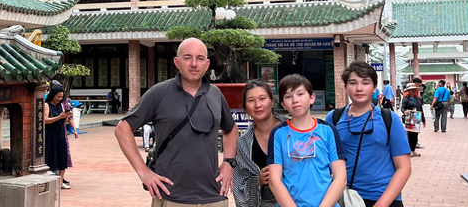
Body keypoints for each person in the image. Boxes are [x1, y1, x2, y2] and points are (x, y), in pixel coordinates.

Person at [114, 38, 238, 206]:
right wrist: (143, 171)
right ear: (176, 62)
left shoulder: (215, 94)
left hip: (213, 196)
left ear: (207, 64)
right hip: (171, 196)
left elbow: (230, 129)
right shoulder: (159, 93)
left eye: (200, 58)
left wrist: (228, 162)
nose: (194, 63)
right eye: (187, 57)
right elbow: (122, 129)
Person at [326, 61, 411, 207]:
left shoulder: (389, 119)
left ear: (374, 88)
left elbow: (404, 167)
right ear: (345, 87)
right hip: (345, 197)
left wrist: (381, 204)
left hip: (383, 198)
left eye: (365, 83)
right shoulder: (334, 118)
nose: (359, 88)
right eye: (353, 83)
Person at [268, 74, 346, 207]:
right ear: (283, 104)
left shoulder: (328, 131)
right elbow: (274, 181)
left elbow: (341, 178)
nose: (295, 100)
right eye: (288, 97)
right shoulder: (278, 134)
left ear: (312, 98)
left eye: (300, 94)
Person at [233, 79, 286, 207]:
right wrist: (258, 180)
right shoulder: (244, 142)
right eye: (251, 100)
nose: (257, 105)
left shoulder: (291, 129)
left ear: (272, 102)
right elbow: (239, 185)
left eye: (262, 98)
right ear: (245, 106)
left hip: (299, 199)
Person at [44, 86, 72, 189]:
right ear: (53, 95)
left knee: (62, 156)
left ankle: (60, 182)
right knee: (50, 155)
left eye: (61, 97)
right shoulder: (47, 105)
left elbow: (64, 122)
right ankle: (47, 180)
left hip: (60, 133)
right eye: (58, 96)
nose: (59, 99)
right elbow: (45, 120)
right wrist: (58, 117)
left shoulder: (61, 105)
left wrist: (66, 117)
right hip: (50, 134)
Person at [400, 84, 425, 157]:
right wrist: (405, 111)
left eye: (414, 89)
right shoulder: (405, 99)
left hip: (416, 118)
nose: (413, 91)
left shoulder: (418, 99)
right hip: (409, 118)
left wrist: (423, 119)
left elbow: (420, 109)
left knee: (415, 135)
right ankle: (409, 150)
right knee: (410, 135)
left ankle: (413, 150)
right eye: (411, 90)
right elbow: (402, 108)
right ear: (408, 91)